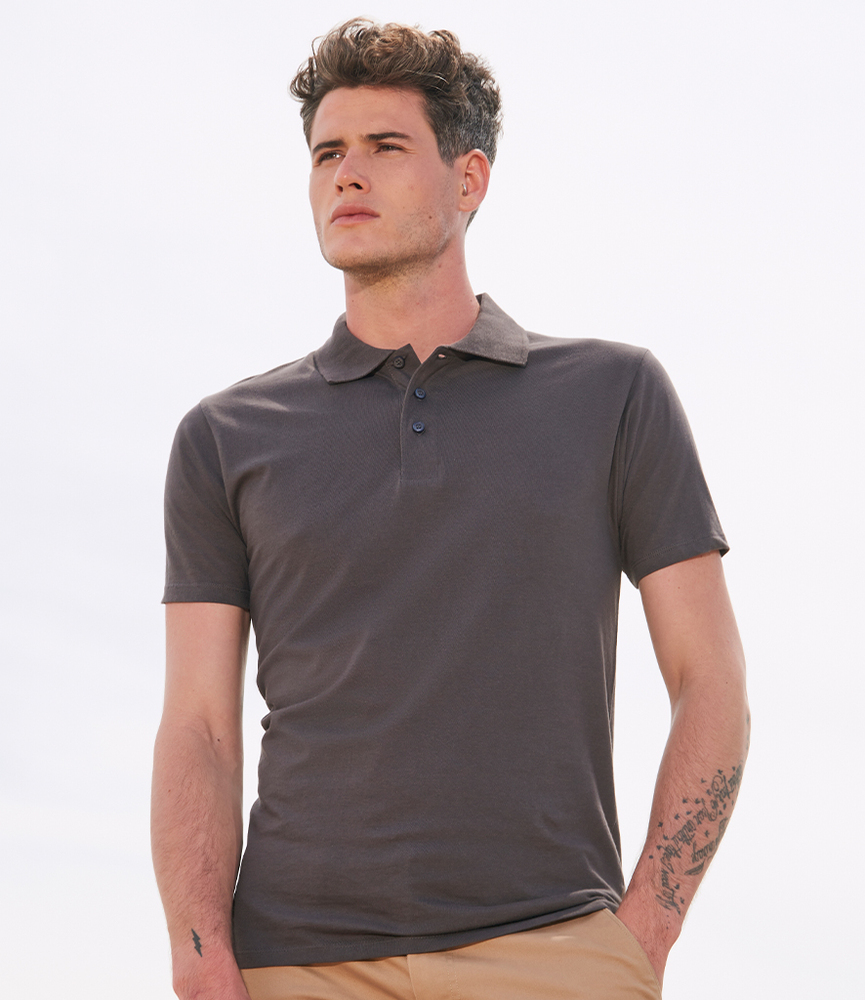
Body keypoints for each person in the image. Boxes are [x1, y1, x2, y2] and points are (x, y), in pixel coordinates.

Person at [151, 18, 750, 1000]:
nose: (347, 174)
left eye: (385, 147)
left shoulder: (614, 396)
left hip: (554, 952)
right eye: (327, 154)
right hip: (296, 961)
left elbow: (709, 679)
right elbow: (199, 729)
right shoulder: (225, 436)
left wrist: (644, 931)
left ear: (469, 179)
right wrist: (201, 956)